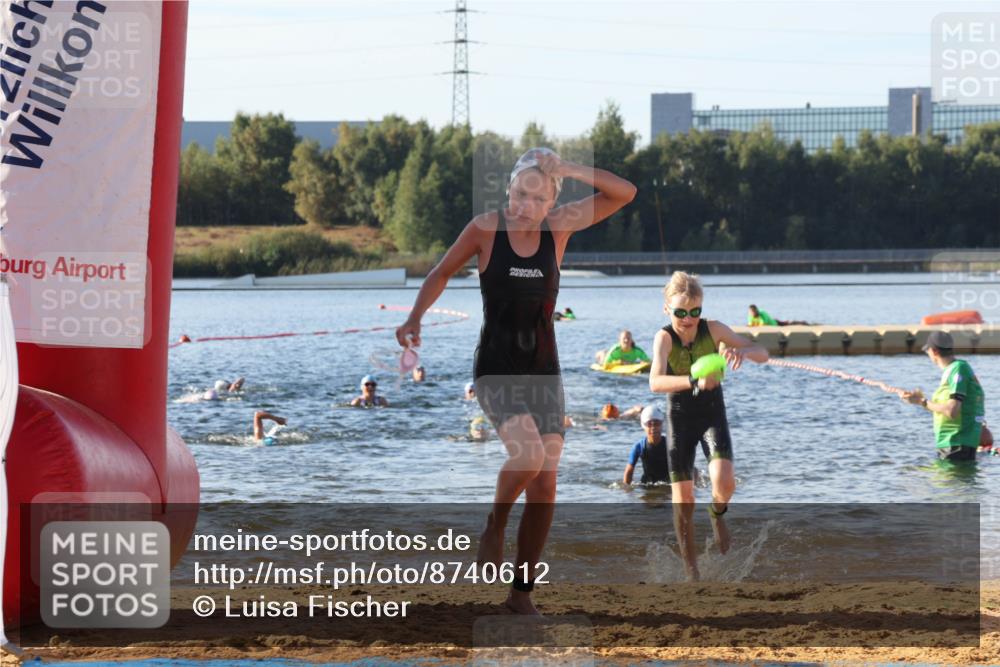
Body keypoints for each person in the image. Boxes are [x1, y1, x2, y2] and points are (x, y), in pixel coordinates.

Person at [395, 147, 636, 614]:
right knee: (528, 456)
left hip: (544, 371)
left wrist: (569, 168)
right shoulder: (485, 229)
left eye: (538, 198)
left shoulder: (558, 228)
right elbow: (441, 272)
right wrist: (415, 317)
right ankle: (495, 524)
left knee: (545, 486)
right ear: (508, 189)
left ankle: (520, 596)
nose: (526, 205)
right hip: (496, 367)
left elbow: (624, 193)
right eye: (520, 194)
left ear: (552, 202)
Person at [650, 271, 769, 581]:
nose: (688, 319)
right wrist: (693, 380)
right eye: (680, 312)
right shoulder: (664, 338)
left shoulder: (714, 329)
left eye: (695, 311)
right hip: (679, 417)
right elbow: (655, 382)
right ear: (667, 308)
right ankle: (692, 572)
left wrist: (742, 351)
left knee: (724, 483)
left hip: (712, 413)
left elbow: (763, 353)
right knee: (684, 500)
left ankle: (717, 514)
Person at [901, 331, 986, 462]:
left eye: (928, 351)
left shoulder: (958, 369)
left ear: (934, 351)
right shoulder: (954, 370)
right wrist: (919, 401)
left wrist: (922, 401)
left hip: (956, 444)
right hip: (954, 444)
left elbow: (951, 411)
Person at [623, 406, 669, 485]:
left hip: (667, 483)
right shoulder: (640, 446)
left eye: (657, 423)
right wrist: (627, 489)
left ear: (662, 424)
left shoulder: (669, 444)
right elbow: (629, 471)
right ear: (643, 426)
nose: (653, 427)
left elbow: (682, 466)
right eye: (649, 424)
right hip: (646, 484)